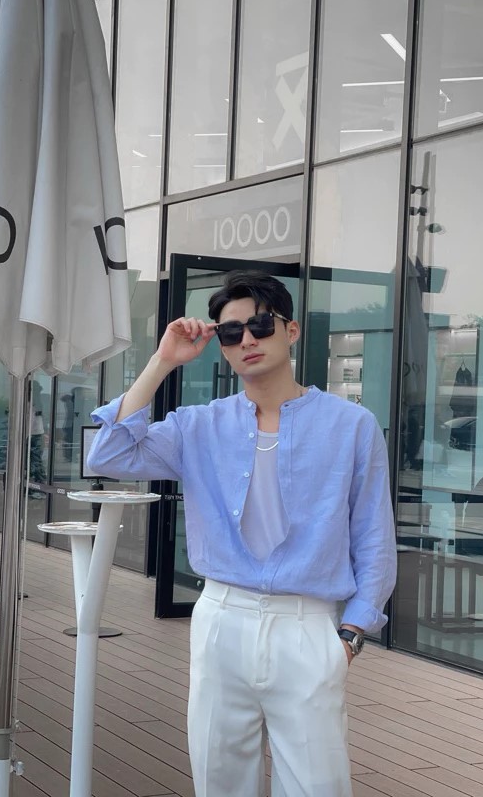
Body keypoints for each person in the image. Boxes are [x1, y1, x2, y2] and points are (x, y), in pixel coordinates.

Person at [87, 270, 397, 797]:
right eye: (231, 333)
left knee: (318, 786)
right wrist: (163, 360)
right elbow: (109, 454)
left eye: (260, 325)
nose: (247, 339)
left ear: (291, 330)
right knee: (220, 780)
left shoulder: (351, 425)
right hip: (221, 619)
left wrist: (352, 633)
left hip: (308, 626)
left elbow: (373, 536)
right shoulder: (198, 425)